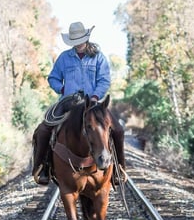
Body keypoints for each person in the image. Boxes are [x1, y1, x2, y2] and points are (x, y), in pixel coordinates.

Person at [32, 21, 126, 185]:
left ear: (86, 38)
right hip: (69, 103)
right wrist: (62, 89)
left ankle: (119, 169)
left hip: (94, 103)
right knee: (43, 129)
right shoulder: (64, 58)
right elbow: (53, 77)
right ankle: (42, 168)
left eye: (80, 40)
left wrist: (96, 96)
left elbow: (104, 80)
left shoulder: (98, 57)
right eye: (74, 41)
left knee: (117, 130)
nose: (78, 44)